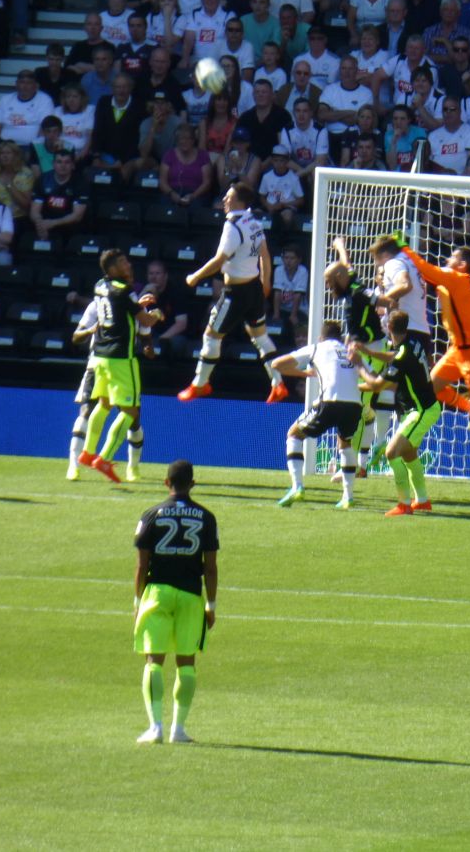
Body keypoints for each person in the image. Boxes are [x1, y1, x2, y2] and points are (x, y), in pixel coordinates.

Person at [396, 237, 470, 482]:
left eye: (453, 257)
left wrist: (404, 249)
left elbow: (426, 269)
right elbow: (427, 276)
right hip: (456, 351)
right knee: (428, 390)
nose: (448, 259)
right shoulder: (448, 282)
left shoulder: (457, 279)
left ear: (463, 265)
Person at [133, 459, 220, 745]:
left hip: (157, 592)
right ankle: (178, 730)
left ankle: (155, 727)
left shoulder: (150, 515)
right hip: (190, 595)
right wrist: (211, 605)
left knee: (153, 660)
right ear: (192, 483)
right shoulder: (207, 518)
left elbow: (141, 564)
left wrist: (137, 601)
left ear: (166, 483)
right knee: (186, 663)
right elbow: (210, 567)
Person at [179, 184, 286, 403]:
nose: (224, 200)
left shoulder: (232, 226)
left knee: (211, 336)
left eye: (228, 197)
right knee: (260, 337)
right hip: (254, 288)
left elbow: (219, 260)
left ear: (239, 202)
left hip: (235, 293)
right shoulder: (254, 222)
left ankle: (200, 384)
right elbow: (265, 256)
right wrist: (265, 283)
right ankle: (278, 383)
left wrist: (195, 277)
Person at [77, 248, 164, 484]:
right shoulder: (124, 290)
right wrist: (156, 312)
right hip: (121, 358)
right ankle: (104, 458)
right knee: (131, 411)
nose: (129, 266)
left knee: (104, 404)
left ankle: (87, 452)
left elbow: (123, 306)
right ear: (113, 268)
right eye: (123, 263)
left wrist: (137, 303)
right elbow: (144, 320)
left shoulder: (100, 285)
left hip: (100, 356)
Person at [354, 309, 442, 515]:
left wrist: (359, 367)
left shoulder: (402, 355)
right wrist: (369, 352)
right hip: (424, 408)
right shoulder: (413, 344)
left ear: (388, 327)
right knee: (409, 453)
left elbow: (377, 385)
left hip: (421, 410)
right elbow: (393, 355)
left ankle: (404, 504)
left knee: (391, 452)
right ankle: (422, 500)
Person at [272, 319, 364, 509]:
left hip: (329, 401)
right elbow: (368, 375)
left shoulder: (317, 348)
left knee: (294, 435)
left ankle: (297, 487)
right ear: (340, 337)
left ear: (321, 336)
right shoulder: (351, 352)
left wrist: (305, 374)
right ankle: (348, 497)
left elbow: (277, 364)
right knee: (345, 443)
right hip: (355, 404)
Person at [326, 236, 394, 474]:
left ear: (338, 278)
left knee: (357, 404)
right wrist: (340, 246)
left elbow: (384, 300)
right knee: (362, 409)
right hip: (358, 348)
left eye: (328, 281)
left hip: (372, 348)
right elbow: (347, 264)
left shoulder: (358, 292)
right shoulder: (349, 281)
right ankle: (360, 463)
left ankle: (352, 464)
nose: (328, 286)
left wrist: (395, 295)